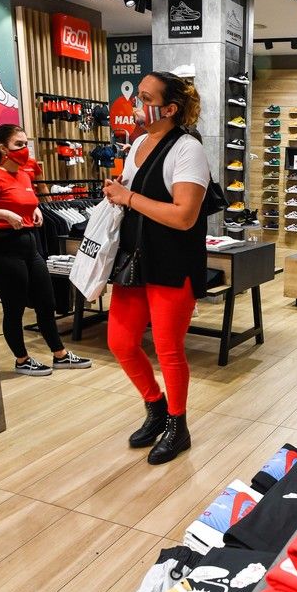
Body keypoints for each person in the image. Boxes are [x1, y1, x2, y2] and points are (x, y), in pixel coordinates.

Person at [103, 72, 209, 465]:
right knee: (121, 341)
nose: (134, 104)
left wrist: (128, 196)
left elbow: (184, 216)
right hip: (135, 259)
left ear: (169, 108)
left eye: (143, 97)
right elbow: (133, 198)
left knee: (168, 349)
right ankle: (156, 406)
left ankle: (178, 426)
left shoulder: (187, 149)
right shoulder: (138, 145)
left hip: (172, 263)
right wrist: (118, 195)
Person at [0, 124, 91, 376]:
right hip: (3, 246)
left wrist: (32, 210)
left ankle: (60, 355)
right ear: (3, 148)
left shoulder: (24, 174)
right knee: (15, 307)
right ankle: (22, 360)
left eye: (25, 144)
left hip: (30, 244)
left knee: (47, 301)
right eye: (18, 145)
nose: (24, 150)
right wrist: (4, 213)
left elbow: (25, 200)